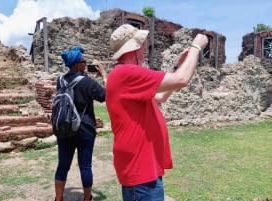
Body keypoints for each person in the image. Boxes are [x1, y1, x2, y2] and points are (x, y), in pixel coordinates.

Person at [105, 24, 208, 201]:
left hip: (142, 167)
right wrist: (196, 47)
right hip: (140, 170)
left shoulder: (123, 74)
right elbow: (181, 80)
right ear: (135, 48)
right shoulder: (127, 72)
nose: (145, 49)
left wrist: (177, 65)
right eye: (143, 44)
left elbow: (160, 96)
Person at [54, 46, 107, 201]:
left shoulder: (60, 80)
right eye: (83, 62)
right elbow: (105, 96)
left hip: (64, 127)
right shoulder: (87, 82)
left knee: (62, 165)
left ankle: (58, 199)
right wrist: (104, 76)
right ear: (77, 64)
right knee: (85, 166)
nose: (86, 64)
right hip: (85, 129)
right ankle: (86, 198)